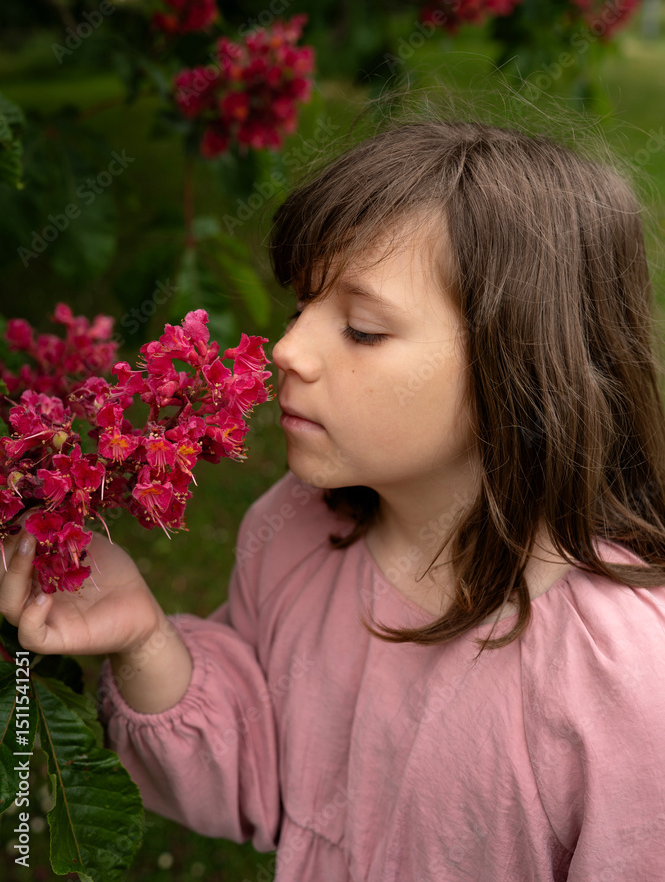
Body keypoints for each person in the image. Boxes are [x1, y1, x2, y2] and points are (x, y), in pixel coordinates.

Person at [2, 117, 665, 881]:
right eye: (299, 308)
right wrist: (146, 639)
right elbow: (264, 779)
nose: (286, 349)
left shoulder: (626, 678)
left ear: (517, 368)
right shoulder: (291, 531)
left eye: (359, 328)